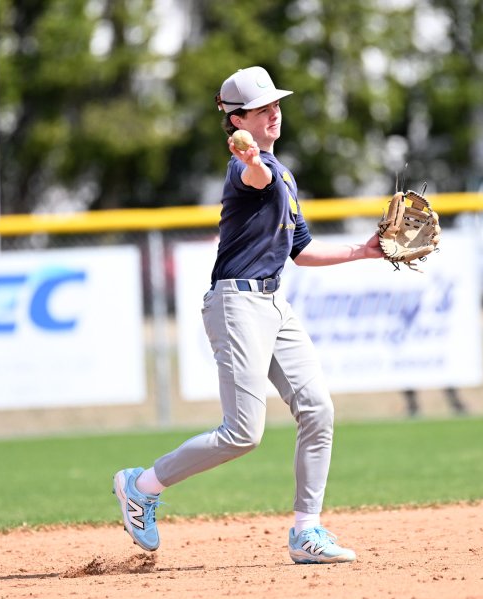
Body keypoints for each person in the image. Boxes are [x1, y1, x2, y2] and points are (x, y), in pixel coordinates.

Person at [113, 66, 385, 564]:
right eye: (263, 108)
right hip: (236, 303)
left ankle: (307, 531)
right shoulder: (248, 167)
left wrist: (364, 251)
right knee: (242, 433)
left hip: (274, 303)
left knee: (318, 408)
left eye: (276, 104)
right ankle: (141, 485)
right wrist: (250, 156)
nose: (275, 112)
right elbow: (253, 175)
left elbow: (300, 251)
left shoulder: (283, 172)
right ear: (237, 119)